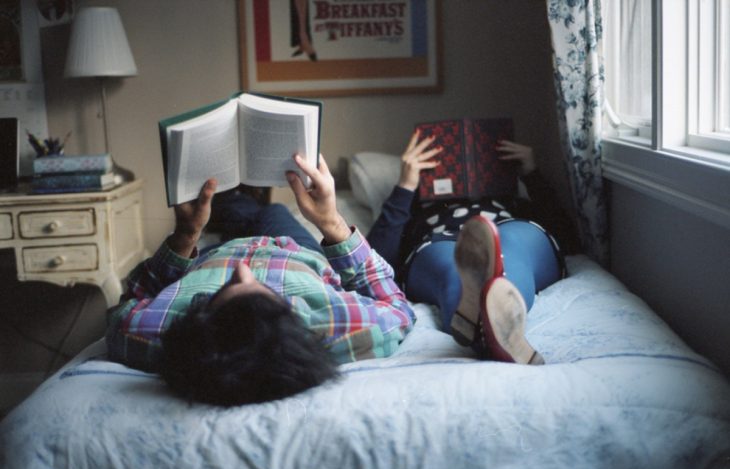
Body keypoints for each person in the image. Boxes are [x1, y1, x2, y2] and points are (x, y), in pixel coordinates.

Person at [106, 154, 415, 406]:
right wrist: (331, 222)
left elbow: (132, 297)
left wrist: (186, 235)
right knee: (276, 210)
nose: (242, 271)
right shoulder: (342, 328)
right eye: (263, 292)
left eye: (224, 290)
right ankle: (246, 202)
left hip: (213, 255)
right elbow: (397, 304)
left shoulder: (156, 333)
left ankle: (233, 200)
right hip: (294, 250)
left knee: (234, 213)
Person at [366, 131, 580, 364]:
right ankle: (499, 329)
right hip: (440, 239)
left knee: (509, 246)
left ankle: (478, 327)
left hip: (507, 228)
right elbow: (373, 259)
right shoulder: (416, 209)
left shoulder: (513, 200)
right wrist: (406, 186)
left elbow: (569, 239)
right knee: (451, 264)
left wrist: (531, 173)